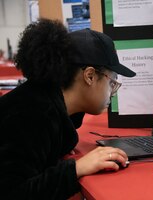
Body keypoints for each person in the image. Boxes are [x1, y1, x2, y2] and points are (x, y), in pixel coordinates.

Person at [0, 18, 135, 200]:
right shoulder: (31, 114)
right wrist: (76, 169)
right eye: (112, 82)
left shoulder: (48, 101)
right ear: (89, 76)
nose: (113, 92)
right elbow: (14, 193)